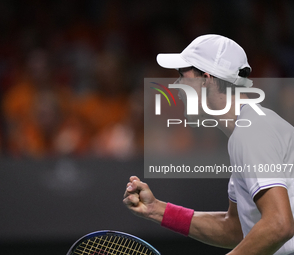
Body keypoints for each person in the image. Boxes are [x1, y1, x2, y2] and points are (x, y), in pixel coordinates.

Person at [123, 34, 294, 255]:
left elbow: (279, 224)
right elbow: (235, 229)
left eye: (182, 75)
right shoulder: (248, 129)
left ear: (206, 79)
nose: (176, 85)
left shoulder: (252, 132)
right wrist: (157, 210)